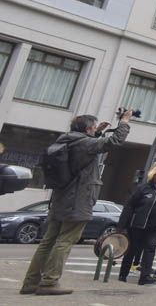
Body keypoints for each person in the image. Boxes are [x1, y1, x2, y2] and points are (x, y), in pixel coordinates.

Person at [22, 110, 131, 296]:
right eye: (94, 127)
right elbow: (114, 142)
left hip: (60, 199)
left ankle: (30, 282)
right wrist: (124, 122)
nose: (96, 129)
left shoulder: (65, 141)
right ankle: (49, 282)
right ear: (88, 128)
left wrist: (97, 134)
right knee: (65, 241)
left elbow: (83, 152)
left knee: (47, 242)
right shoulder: (85, 143)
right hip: (78, 199)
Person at [117, 161, 156, 285]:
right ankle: (123, 274)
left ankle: (145, 277)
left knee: (150, 249)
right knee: (132, 250)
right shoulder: (143, 188)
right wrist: (121, 226)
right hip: (139, 226)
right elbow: (129, 206)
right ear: (155, 174)